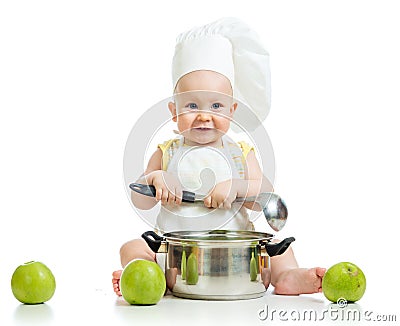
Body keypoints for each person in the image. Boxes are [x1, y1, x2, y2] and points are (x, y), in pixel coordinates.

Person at [113, 18, 325, 296]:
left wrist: (237, 187)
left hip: (236, 251)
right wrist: (157, 178)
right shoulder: (166, 152)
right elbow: (140, 198)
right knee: (131, 247)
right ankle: (145, 276)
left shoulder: (240, 153)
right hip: (176, 254)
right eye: (191, 105)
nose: (204, 115)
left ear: (232, 110)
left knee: (278, 248)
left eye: (216, 105)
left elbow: (265, 198)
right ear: (174, 112)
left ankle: (286, 275)